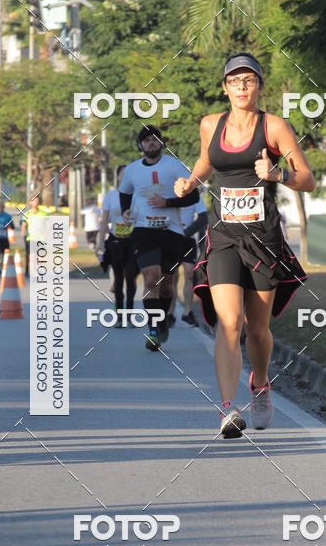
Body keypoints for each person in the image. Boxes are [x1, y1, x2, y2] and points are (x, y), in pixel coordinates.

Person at [174, 52, 315, 438]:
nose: (241, 86)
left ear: (259, 86)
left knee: (257, 330)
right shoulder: (209, 125)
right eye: (234, 80)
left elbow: (308, 179)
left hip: (263, 239)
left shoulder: (274, 127)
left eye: (248, 80)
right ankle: (226, 408)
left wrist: (276, 173)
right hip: (222, 237)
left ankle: (260, 383)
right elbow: (207, 159)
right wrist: (190, 181)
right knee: (229, 322)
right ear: (224, 87)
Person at [119, 125, 200, 350]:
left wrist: (168, 202)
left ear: (161, 143)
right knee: (151, 278)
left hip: (171, 232)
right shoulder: (132, 170)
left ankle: (162, 319)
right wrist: (126, 211)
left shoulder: (174, 166)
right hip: (143, 231)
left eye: (155, 140)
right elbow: (124, 192)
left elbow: (194, 195)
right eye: (146, 140)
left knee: (166, 285)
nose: (151, 143)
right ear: (140, 145)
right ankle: (154, 330)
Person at [97, 165, 140, 327]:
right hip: (115, 241)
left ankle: (129, 313)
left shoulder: (137, 195)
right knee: (118, 279)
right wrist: (100, 241)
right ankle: (120, 315)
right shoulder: (110, 196)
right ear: (118, 177)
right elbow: (104, 221)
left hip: (133, 240)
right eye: (124, 174)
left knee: (130, 276)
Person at [176, 193, 209, 328]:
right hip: (171, 238)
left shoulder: (194, 194)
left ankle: (187, 312)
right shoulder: (167, 191)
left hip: (187, 239)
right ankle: (170, 313)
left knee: (189, 274)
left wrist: (186, 232)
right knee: (171, 277)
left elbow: (203, 218)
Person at [20, 195, 48, 277]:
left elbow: (48, 225)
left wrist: (46, 233)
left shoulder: (43, 213)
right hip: (31, 238)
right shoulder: (27, 214)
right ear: (30, 202)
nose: (35, 202)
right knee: (32, 255)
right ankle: (33, 273)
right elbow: (24, 225)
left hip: (41, 238)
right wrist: (22, 232)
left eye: (36, 200)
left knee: (41, 256)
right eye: (33, 200)